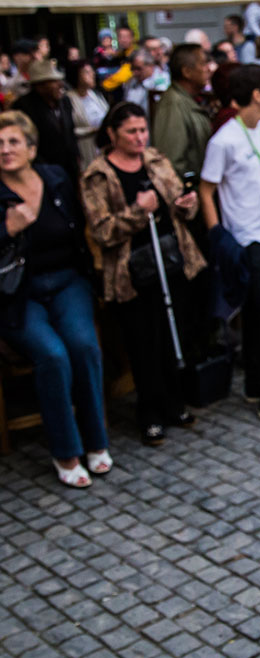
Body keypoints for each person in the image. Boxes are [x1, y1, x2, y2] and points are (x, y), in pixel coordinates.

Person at [80, 102, 205, 445]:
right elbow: (102, 231)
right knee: (143, 342)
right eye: (131, 131)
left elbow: (180, 201)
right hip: (130, 272)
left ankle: (174, 402)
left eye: (142, 130)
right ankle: (149, 412)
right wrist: (138, 212)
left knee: (173, 332)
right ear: (111, 133)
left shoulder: (155, 159)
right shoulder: (97, 174)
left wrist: (184, 205)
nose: (139, 137)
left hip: (170, 260)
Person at [0, 110, 110, 488]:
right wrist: (6, 229)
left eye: (13, 141)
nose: (5, 149)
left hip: (66, 281)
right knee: (52, 354)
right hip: (18, 293)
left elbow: (85, 227)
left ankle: (96, 441)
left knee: (83, 345)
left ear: (31, 148)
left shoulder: (56, 178)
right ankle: (65, 449)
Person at [199, 65, 260, 421]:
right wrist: (217, 235)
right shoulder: (223, 140)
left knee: (257, 314)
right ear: (256, 94)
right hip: (246, 240)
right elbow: (206, 189)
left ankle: (254, 384)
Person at [152, 44, 212, 181]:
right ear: (187, 72)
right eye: (203, 64)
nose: (209, 69)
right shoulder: (173, 103)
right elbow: (171, 158)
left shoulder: (189, 99)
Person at [13, 61, 80, 181]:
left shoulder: (65, 101)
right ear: (40, 86)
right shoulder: (23, 107)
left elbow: (70, 134)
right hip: (43, 173)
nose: (60, 84)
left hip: (70, 172)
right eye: (53, 81)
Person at [65, 60, 108, 171]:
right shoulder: (69, 100)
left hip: (102, 147)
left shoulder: (95, 95)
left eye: (91, 71)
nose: (92, 74)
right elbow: (68, 130)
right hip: (84, 150)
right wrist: (91, 130)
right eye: (86, 72)